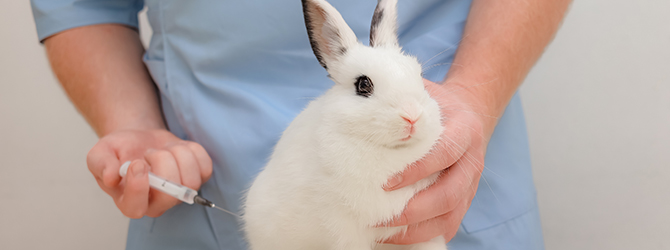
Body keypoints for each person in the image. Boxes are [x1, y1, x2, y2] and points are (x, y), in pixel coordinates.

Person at [31, 0, 570, 249]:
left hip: (463, 182)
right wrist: (132, 121)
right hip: (200, 196)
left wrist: (475, 94)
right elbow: (78, 4)